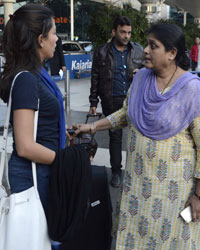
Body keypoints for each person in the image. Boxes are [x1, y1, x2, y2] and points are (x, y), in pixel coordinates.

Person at [73, 23, 200, 249]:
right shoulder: (141, 78)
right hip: (137, 189)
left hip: (175, 195)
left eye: (153, 46)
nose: (146, 51)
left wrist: (198, 196)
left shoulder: (192, 90)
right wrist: (92, 128)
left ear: (172, 54)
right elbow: (125, 113)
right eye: (147, 44)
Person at [0, 3, 66, 250]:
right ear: (40, 39)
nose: (57, 39)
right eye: (54, 33)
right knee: (33, 241)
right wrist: (66, 160)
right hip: (33, 178)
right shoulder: (27, 79)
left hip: (44, 172)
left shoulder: (38, 72)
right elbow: (26, 146)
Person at [89, 16, 144, 188]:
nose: (126, 36)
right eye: (123, 32)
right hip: (111, 98)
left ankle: (137, 173)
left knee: (138, 136)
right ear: (114, 32)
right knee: (115, 137)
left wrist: (139, 75)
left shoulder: (138, 50)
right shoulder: (102, 52)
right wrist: (93, 101)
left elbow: (148, 72)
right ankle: (116, 172)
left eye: (129, 32)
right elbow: (95, 77)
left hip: (134, 99)